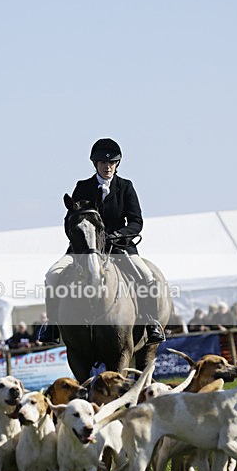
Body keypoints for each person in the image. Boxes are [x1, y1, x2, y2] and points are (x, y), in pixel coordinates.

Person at [41, 138, 165, 344]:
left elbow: (136, 221)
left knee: (146, 275)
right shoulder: (82, 187)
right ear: (95, 164)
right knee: (52, 275)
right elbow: (69, 221)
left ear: (117, 164)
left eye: (112, 163)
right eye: (103, 163)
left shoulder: (125, 187)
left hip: (119, 246)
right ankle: (52, 325)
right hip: (83, 249)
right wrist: (82, 241)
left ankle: (151, 322)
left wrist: (116, 236)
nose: (108, 167)